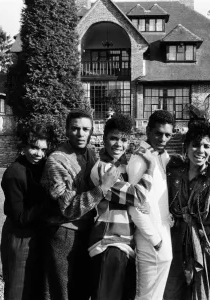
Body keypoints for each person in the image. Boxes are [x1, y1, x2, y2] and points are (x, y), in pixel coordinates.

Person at [41, 109, 122, 300]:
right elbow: (68, 208)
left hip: (88, 231)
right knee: (63, 292)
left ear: (92, 131)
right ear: (67, 130)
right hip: (65, 233)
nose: (81, 133)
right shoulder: (57, 160)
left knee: (84, 291)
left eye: (86, 129)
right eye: (75, 128)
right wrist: (102, 188)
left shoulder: (91, 155)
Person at [89, 114, 156, 300]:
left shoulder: (125, 167)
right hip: (109, 244)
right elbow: (138, 195)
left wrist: (144, 203)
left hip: (125, 244)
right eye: (113, 138)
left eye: (124, 139)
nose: (119, 144)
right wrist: (150, 168)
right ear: (104, 139)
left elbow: (138, 200)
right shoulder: (104, 169)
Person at [127, 110, 174, 300]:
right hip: (150, 240)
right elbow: (133, 204)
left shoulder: (162, 156)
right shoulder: (140, 159)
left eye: (168, 135)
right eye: (158, 133)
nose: (163, 138)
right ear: (148, 131)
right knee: (146, 297)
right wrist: (155, 239)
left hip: (163, 236)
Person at [0, 125, 49, 300]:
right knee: (18, 289)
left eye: (43, 149)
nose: (39, 154)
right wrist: (48, 203)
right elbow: (20, 218)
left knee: (37, 287)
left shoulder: (43, 165)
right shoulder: (14, 173)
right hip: (20, 235)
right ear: (23, 147)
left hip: (39, 232)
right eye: (34, 147)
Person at [164, 120, 210, 300]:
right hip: (174, 238)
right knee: (172, 289)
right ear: (186, 147)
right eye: (196, 145)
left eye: (206, 146)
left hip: (203, 240)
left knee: (200, 292)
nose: (201, 150)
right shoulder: (174, 172)